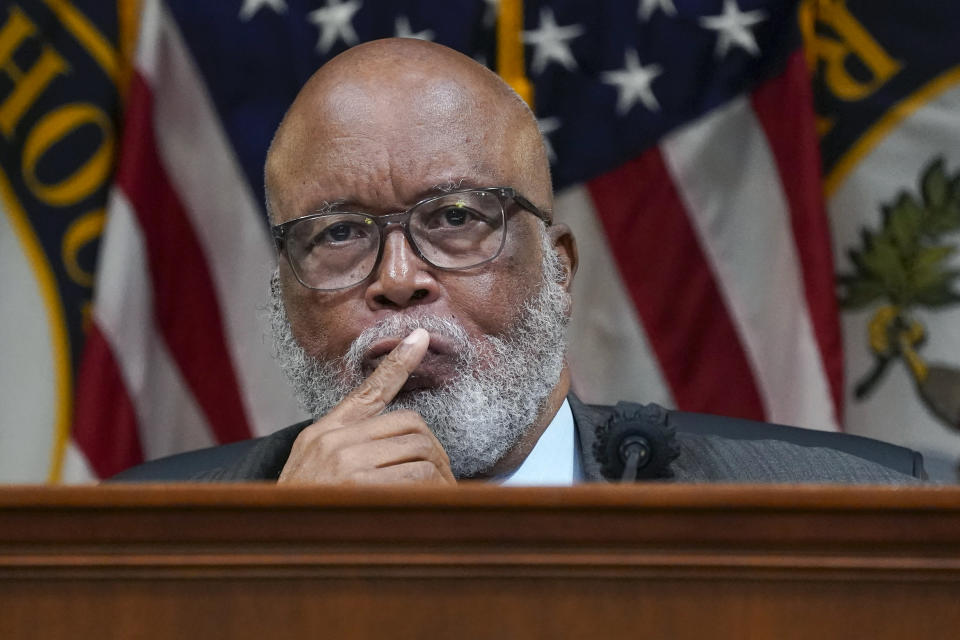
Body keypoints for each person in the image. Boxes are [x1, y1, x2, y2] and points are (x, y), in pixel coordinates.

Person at [115, 38, 921, 485]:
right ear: (286, 296)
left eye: (457, 218)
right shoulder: (144, 543)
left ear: (561, 271)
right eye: (339, 236)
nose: (399, 279)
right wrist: (279, 580)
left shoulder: (853, 510)